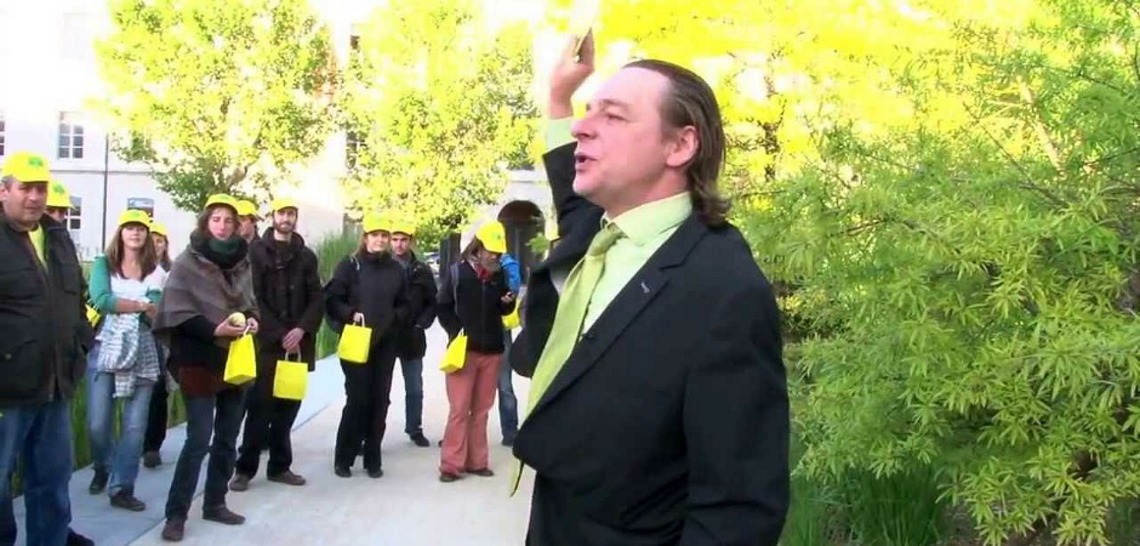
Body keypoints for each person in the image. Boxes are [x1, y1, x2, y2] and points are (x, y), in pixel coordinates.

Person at [508, 35, 790, 545]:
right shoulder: (597, 229)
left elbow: (738, 509)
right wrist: (558, 97)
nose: (583, 127)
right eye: (587, 113)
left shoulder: (724, 291)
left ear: (680, 146)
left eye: (613, 116)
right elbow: (569, 186)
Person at [153, 193, 260, 541]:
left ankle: (215, 502)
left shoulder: (243, 261)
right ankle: (176, 514)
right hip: (198, 358)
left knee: (227, 436)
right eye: (216, 219)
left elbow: (250, 303)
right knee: (198, 439)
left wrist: (253, 320)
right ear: (205, 222)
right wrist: (215, 330)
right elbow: (177, 313)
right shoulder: (187, 262)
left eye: (229, 220)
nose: (223, 226)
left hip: (235, 358)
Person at [0, 152, 94, 546]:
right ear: (4, 191)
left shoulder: (58, 237)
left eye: (40, 189)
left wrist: (81, 344)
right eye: (26, 188)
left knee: (52, 482)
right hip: (8, 389)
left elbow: (79, 299)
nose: (35, 197)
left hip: (55, 385)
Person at [229, 198, 322, 491]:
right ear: (273, 217)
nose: (286, 218)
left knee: (288, 407)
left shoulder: (306, 256)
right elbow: (254, 297)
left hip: (298, 344)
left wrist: (302, 330)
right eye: (282, 213)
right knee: (260, 407)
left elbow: (316, 297)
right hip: (267, 343)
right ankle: (244, 469)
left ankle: (280, 466)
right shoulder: (255, 252)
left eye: (291, 213)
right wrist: (281, 333)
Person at [85, 209, 165, 511]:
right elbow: (101, 299)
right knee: (97, 423)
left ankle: (122, 486)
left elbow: (156, 308)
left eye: (141, 228)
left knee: (134, 426)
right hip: (104, 347)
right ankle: (102, 465)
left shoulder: (155, 271)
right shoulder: (103, 264)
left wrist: (130, 306)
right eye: (130, 227)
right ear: (120, 232)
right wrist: (140, 305)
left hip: (142, 349)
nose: (135, 233)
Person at [323, 213, 408, 478]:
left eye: (384, 235)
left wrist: (394, 318)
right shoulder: (349, 265)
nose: (380, 240)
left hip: (385, 343)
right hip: (356, 341)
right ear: (365, 237)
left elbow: (405, 304)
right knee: (358, 400)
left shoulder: (396, 269)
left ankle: (373, 458)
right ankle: (344, 457)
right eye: (375, 235)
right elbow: (332, 300)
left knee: (380, 401)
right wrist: (350, 313)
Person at [436, 221, 514, 483]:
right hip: (463, 351)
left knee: (481, 410)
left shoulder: (499, 275)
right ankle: (451, 465)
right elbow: (443, 306)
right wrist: (456, 330)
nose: (495, 256)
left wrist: (507, 302)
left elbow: (503, 310)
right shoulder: (457, 273)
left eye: (498, 253)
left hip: (492, 351)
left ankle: (477, 462)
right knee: (459, 409)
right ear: (478, 248)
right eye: (491, 251)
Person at [388, 219, 438, 448]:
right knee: (380, 388)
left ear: (411, 241)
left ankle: (414, 427)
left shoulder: (421, 270)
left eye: (403, 240)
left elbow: (432, 302)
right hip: (387, 335)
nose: (399, 244)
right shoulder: (383, 267)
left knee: (415, 387)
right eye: (395, 239)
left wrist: (422, 324)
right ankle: (372, 431)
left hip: (413, 335)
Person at [143, 220, 173, 469]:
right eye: (152, 240)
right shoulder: (134, 268)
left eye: (160, 240)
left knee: (159, 389)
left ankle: (153, 445)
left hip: (161, 336)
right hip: (140, 332)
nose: (156, 245)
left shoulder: (171, 272)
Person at [497, 251, 522, 446]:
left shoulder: (502, 265)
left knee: (469, 388)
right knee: (505, 384)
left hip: (491, 328)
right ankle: (510, 432)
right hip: (502, 329)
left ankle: (462, 433)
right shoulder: (508, 263)